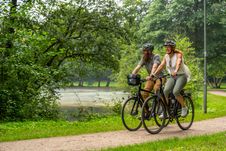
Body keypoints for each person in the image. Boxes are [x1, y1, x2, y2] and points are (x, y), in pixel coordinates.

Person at [152, 40, 190, 117]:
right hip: (172, 76)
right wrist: (154, 74)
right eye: (166, 47)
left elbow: (178, 63)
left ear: (173, 48)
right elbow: (161, 66)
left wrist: (176, 70)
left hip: (181, 76)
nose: (167, 48)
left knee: (175, 92)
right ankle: (166, 111)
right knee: (165, 91)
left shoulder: (178, 55)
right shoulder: (166, 56)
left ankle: (184, 107)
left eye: (169, 47)